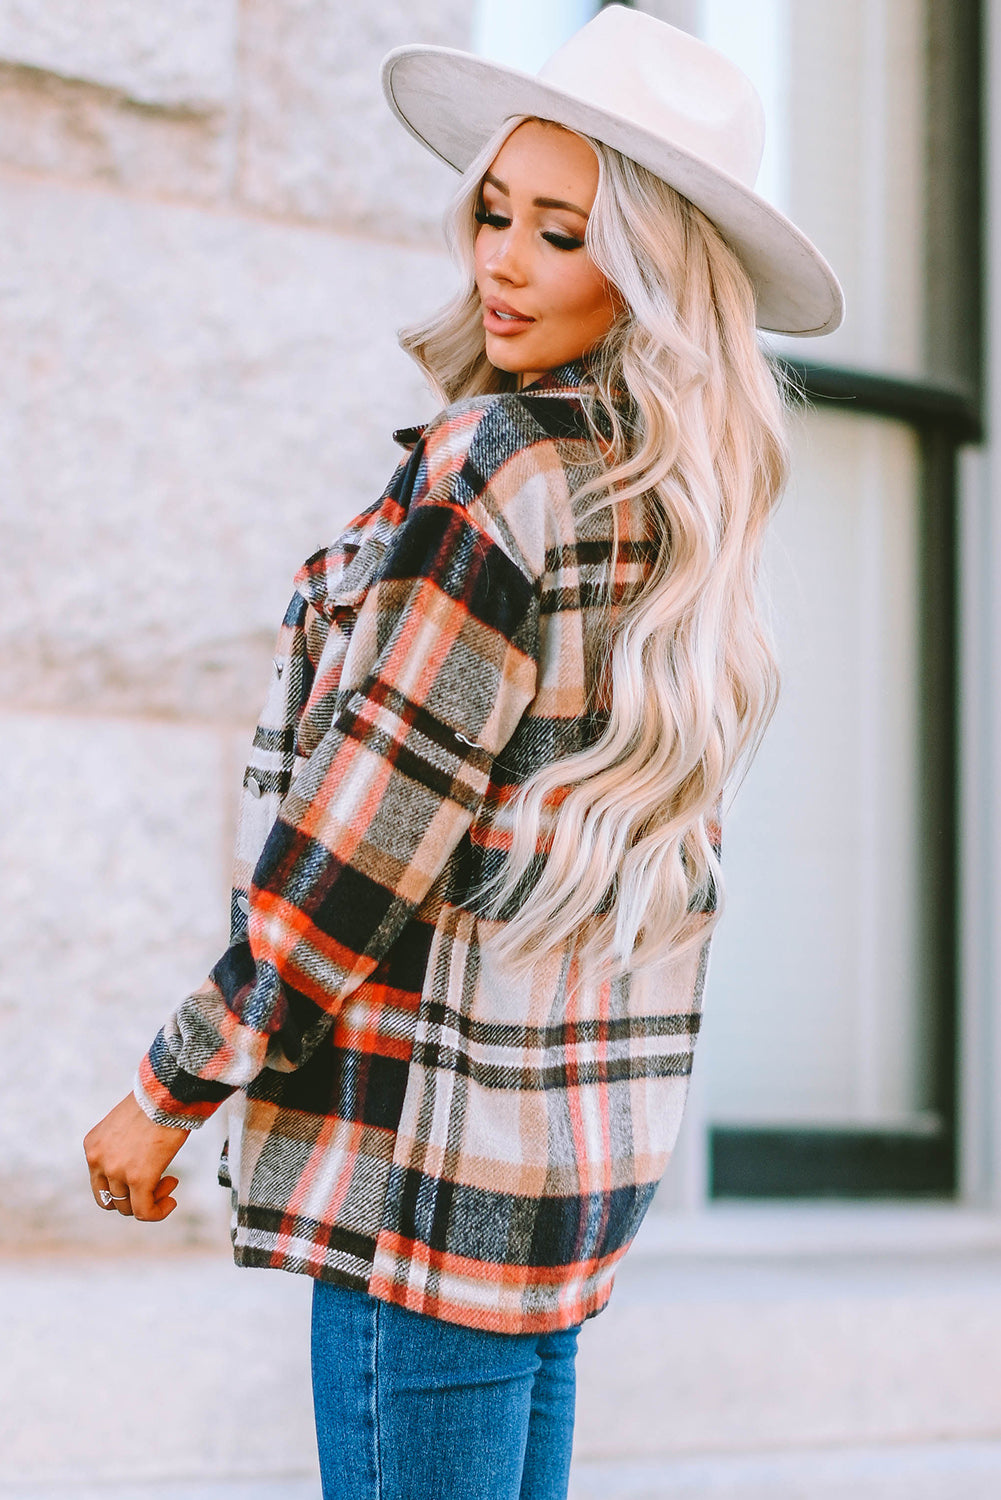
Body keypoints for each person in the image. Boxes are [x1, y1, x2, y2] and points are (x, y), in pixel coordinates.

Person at [83, 8, 843, 1499]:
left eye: (558, 233)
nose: (498, 260)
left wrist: (174, 1082)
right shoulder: (659, 508)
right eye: (495, 213)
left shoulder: (497, 475)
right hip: (550, 1189)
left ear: (645, 264)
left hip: (421, 1176)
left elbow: (365, 840)